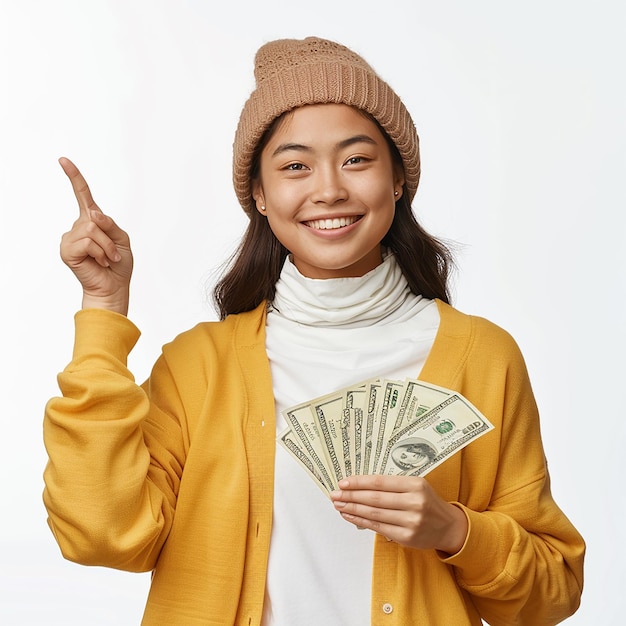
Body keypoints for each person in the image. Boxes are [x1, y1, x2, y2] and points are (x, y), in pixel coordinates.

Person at [43, 36, 585, 625]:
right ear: (260, 194)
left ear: (398, 179)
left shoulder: (483, 357)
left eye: (356, 159)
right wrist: (102, 307)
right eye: (295, 166)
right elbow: (103, 535)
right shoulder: (202, 366)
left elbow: (552, 593)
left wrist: (456, 531)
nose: (328, 189)